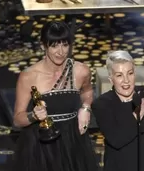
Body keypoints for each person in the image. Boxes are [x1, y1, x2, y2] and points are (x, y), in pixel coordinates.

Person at [12, 21, 98, 171]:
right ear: (43, 46)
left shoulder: (81, 71)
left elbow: (87, 92)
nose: (61, 51)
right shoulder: (28, 76)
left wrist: (85, 108)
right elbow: (17, 120)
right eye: (54, 45)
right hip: (40, 147)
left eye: (65, 45)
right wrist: (33, 115)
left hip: (72, 143)